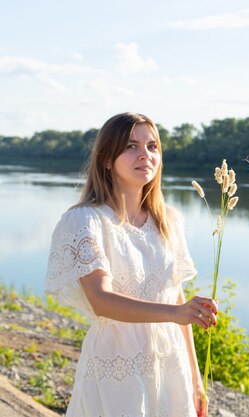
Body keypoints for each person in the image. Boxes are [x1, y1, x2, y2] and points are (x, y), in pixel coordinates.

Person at [45, 112, 216, 417]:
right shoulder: (85, 220)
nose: (145, 155)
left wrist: (195, 379)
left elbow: (174, 296)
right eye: (131, 146)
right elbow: (101, 301)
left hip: (169, 361)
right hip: (116, 365)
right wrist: (176, 314)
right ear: (107, 159)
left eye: (152, 146)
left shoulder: (169, 220)